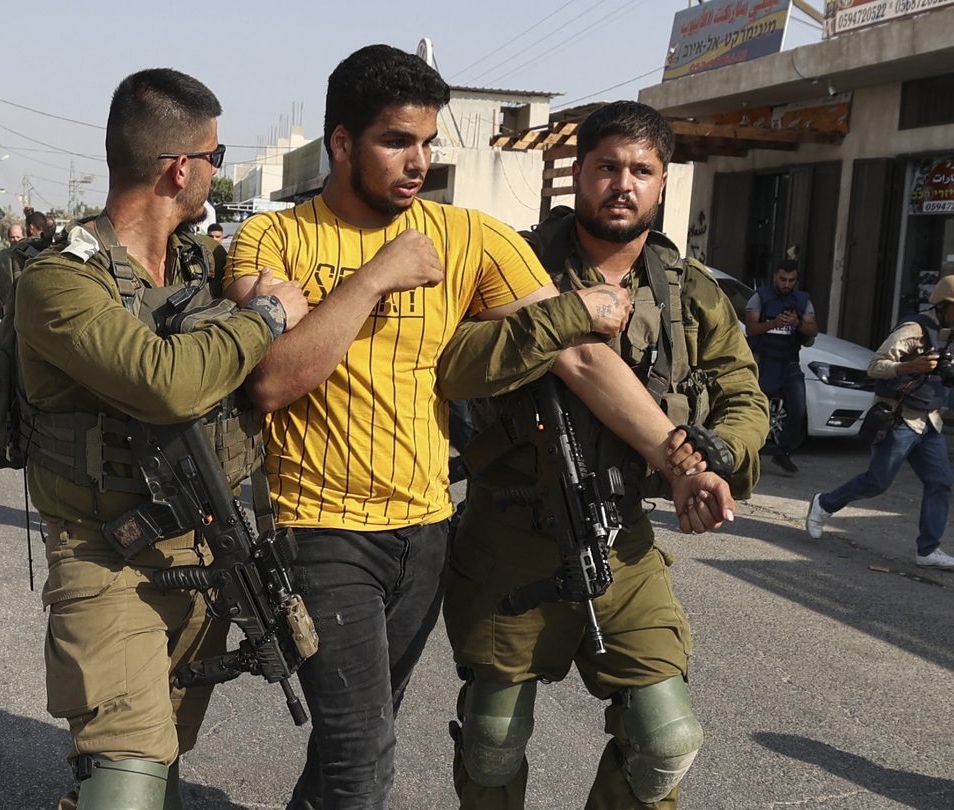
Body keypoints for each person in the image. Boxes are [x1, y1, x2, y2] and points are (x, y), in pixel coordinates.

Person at [224, 49, 726, 810]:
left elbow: (581, 362)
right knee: (363, 764)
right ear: (340, 143)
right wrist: (378, 275)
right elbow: (272, 379)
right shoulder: (272, 239)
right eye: (397, 140)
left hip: (423, 532)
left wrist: (678, 458)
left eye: (429, 142)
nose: (419, 161)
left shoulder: (470, 237)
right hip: (317, 531)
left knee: (344, 749)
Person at [439, 101, 768, 810]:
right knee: (494, 738)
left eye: (642, 170)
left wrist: (713, 454)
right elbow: (453, 364)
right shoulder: (511, 263)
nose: (623, 183)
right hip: (509, 534)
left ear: (662, 185)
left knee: (666, 739)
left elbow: (745, 396)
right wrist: (562, 317)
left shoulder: (691, 293)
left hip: (623, 540)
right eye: (607, 167)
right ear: (578, 176)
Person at [13, 68, 308, 810]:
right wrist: (268, 317)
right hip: (106, 558)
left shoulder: (194, 267)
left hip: (203, 546)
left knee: (161, 759)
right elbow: (165, 380)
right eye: (214, 155)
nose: (216, 169)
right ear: (180, 168)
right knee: (126, 780)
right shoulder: (59, 279)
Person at [807, 276, 954, 569]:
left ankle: (927, 550)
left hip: (930, 420)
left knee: (940, 483)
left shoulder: (948, 332)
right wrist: (909, 366)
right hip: (900, 418)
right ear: (943, 305)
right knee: (877, 482)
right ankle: (824, 503)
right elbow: (875, 366)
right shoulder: (914, 329)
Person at [745, 258, 817, 473]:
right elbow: (751, 329)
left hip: (789, 361)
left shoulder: (802, 300)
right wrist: (774, 323)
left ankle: (783, 452)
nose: (787, 284)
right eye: (783, 279)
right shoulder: (760, 297)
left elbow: (812, 331)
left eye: (791, 280)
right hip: (763, 360)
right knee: (756, 410)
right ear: (775, 276)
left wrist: (797, 323)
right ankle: (750, 453)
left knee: (798, 408)